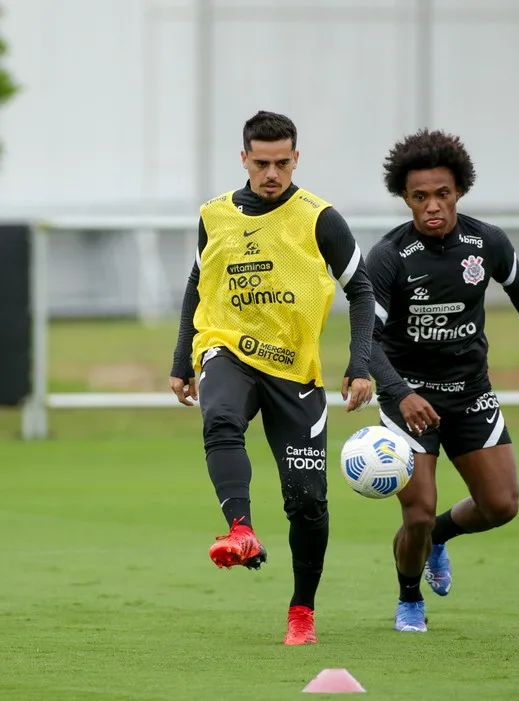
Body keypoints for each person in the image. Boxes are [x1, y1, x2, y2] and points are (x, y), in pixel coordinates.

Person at [169, 110, 376, 646]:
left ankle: (301, 611)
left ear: (296, 159)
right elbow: (197, 283)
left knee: (307, 501)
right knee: (220, 418)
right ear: (244, 159)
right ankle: (240, 531)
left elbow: (363, 291)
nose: (271, 174)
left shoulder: (319, 218)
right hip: (227, 348)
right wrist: (180, 359)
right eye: (261, 163)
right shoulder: (213, 215)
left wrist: (360, 364)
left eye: (282, 163)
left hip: (294, 370)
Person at [364, 128, 519, 632]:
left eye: (442, 194)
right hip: (408, 397)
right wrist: (402, 394)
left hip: (471, 392)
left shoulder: (487, 241)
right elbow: (367, 341)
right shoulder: (389, 257)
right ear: (405, 198)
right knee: (416, 511)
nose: (432, 206)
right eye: (420, 197)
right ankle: (409, 599)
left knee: (501, 505)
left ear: (459, 192)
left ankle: (438, 538)